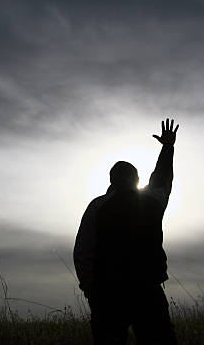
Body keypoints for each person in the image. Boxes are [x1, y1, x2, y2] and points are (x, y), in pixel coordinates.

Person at [74, 118, 179, 344]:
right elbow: (161, 180)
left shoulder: (97, 206)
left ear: (111, 180)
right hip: (147, 292)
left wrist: (91, 290)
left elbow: (82, 251)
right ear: (137, 179)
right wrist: (168, 148)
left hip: (107, 294)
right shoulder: (151, 201)